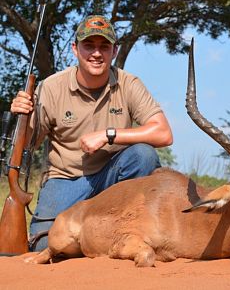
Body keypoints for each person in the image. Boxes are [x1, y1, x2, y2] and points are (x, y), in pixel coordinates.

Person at [10, 15, 173, 251]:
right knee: (44, 245)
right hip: (66, 179)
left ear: (114, 51)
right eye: (89, 46)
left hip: (113, 179)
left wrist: (109, 134)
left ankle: (129, 233)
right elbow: (27, 146)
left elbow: (164, 134)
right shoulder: (51, 86)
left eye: (104, 46)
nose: (96, 53)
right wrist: (22, 117)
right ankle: (95, 241)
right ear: (75, 49)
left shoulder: (129, 83)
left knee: (143, 155)